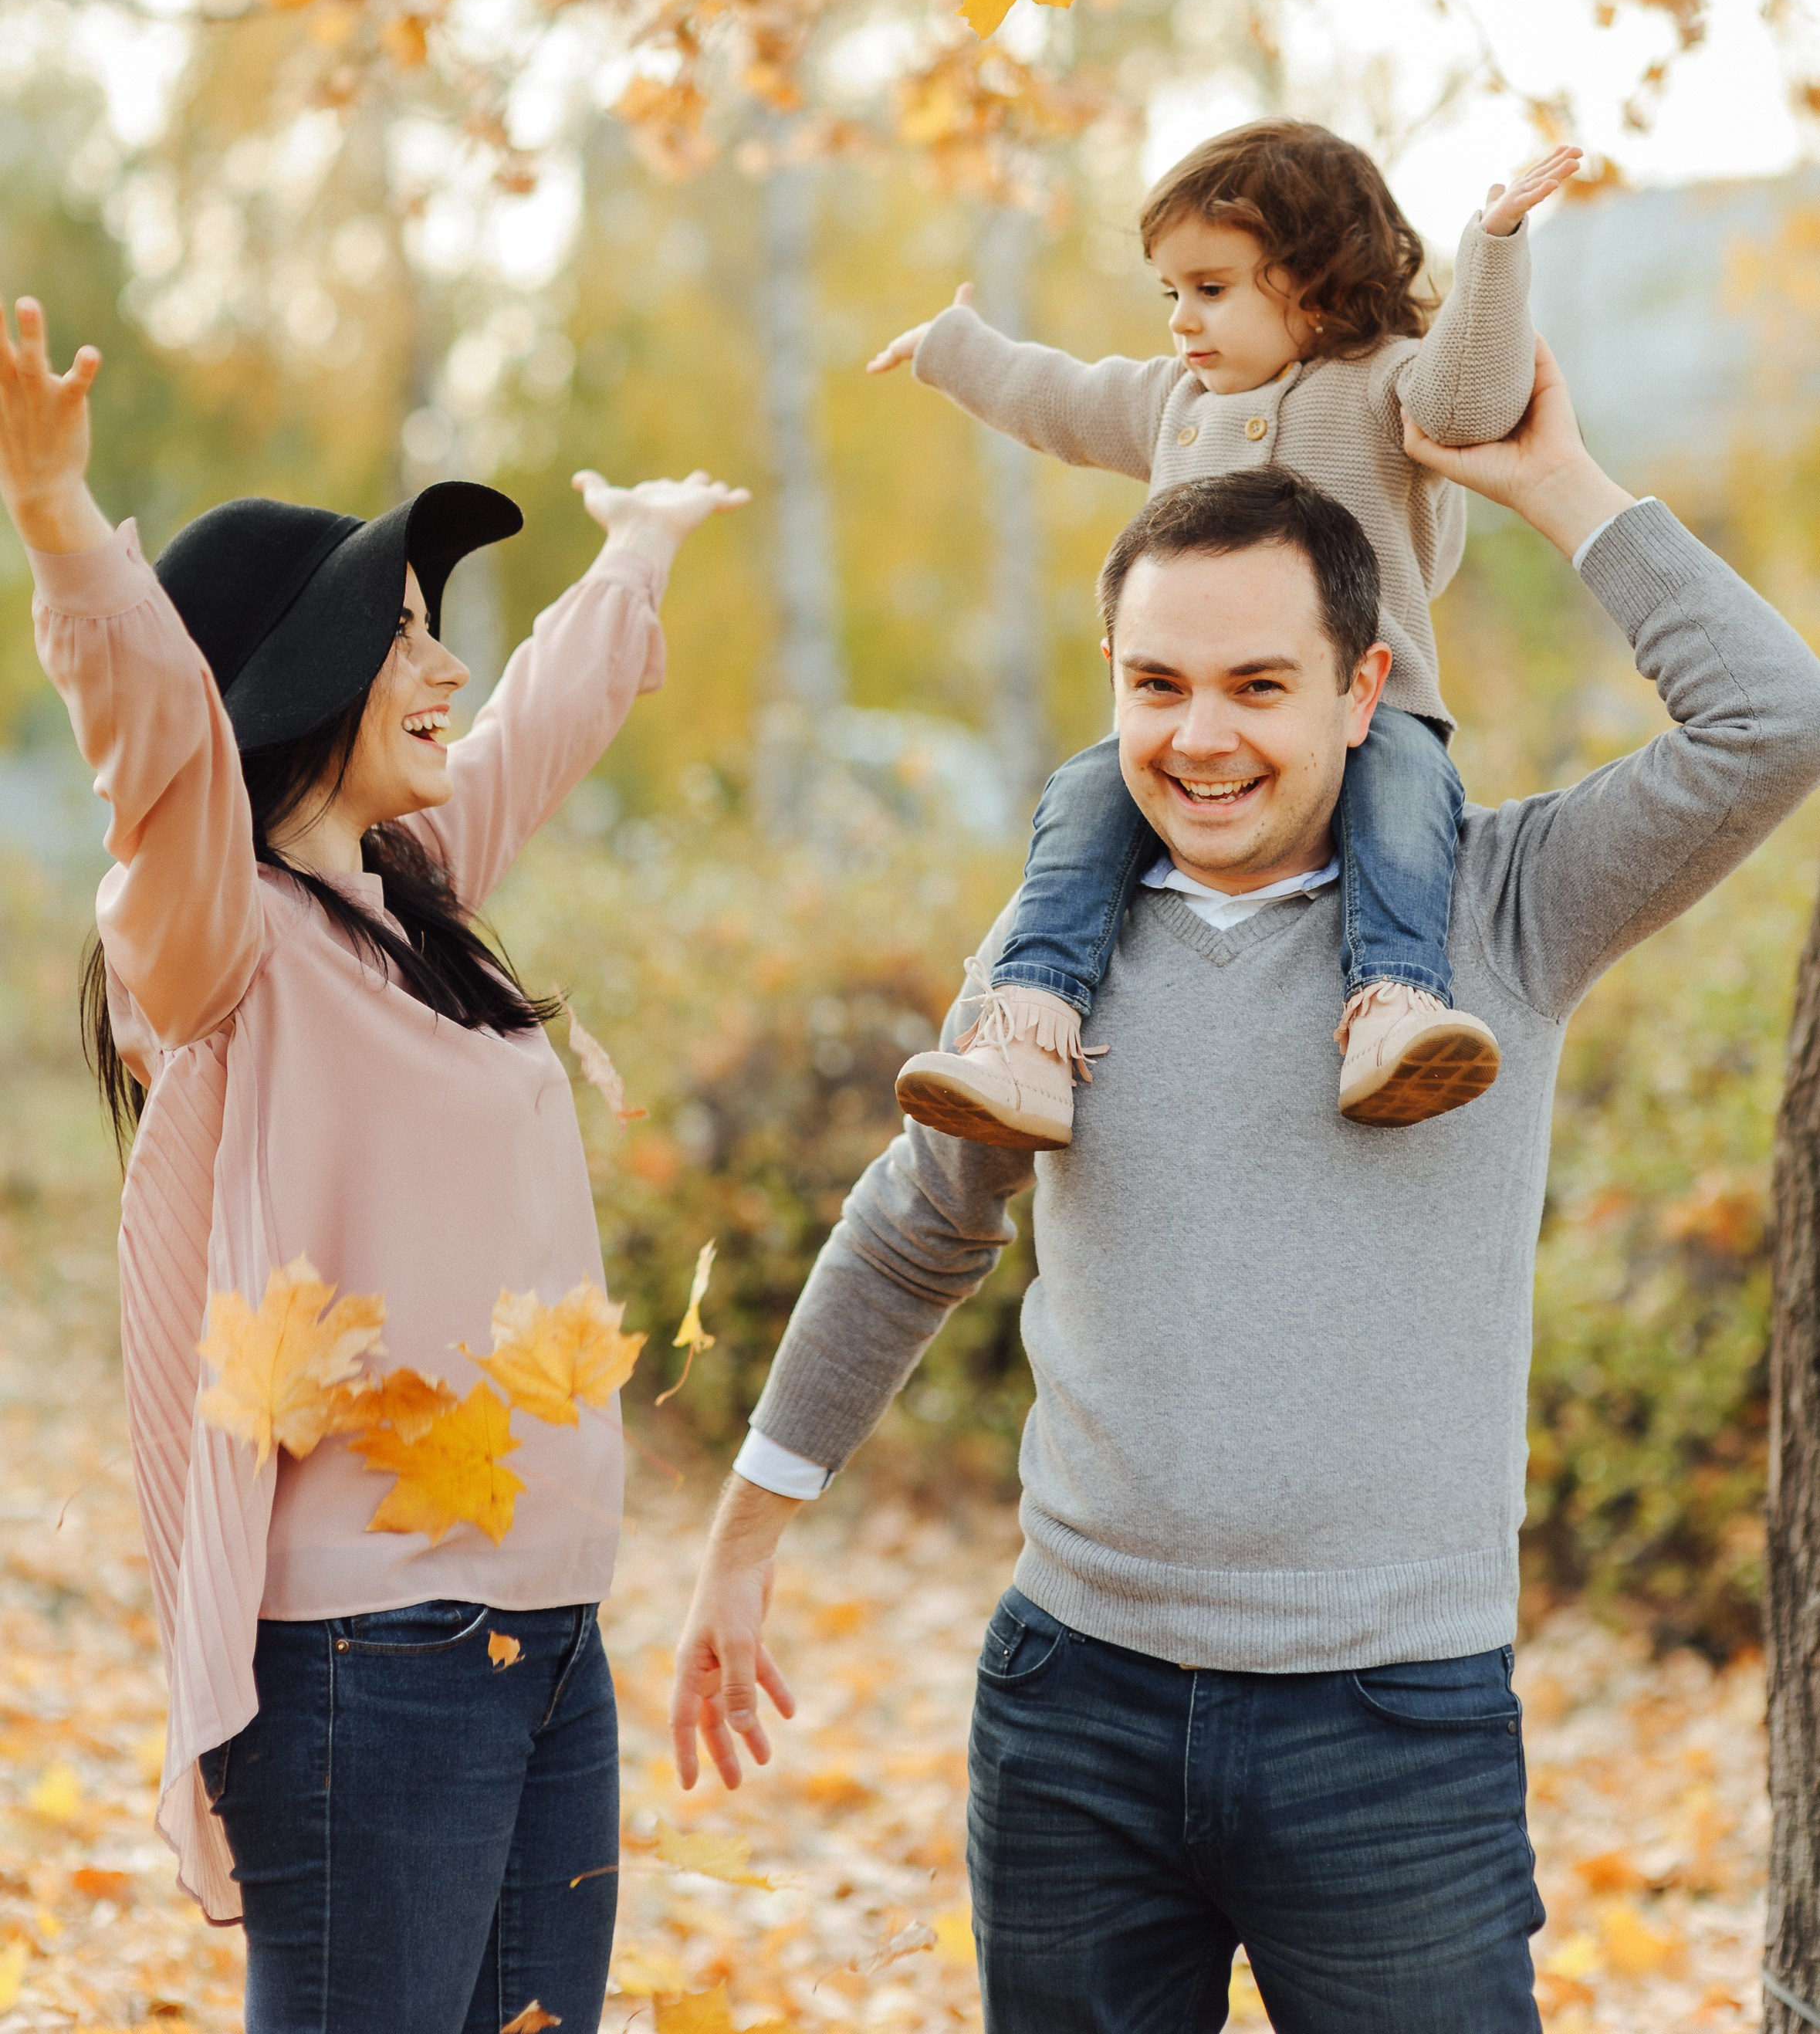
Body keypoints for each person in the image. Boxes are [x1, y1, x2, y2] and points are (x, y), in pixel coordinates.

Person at [670, 347, 1820, 2033]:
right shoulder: (1047, 962)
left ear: (1365, 691)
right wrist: (746, 1526)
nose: (1198, 737)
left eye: (1258, 686)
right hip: (1076, 1715)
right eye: (1155, 684)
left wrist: (1554, 483)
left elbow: (1771, 722)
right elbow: (918, 1225)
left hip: (1394, 1733)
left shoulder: (1506, 912)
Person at [0, 293, 747, 2033]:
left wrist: (634, 549)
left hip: (550, 1625)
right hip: (370, 1647)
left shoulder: (413, 888)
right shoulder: (215, 941)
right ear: (302, 677)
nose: (447, 668)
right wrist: (57, 527)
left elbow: (545, 718)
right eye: (402, 635)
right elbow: (158, 749)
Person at [868, 119, 1582, 1147]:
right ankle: (1027, 1034)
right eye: (1170, 293)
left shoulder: (1383, 385)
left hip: (1367, 715)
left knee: (1402, 802)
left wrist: (1496, 244)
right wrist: (954, 349)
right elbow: (1058, 400)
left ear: (1321, 285)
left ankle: (1393, 1012)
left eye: (1210, 289)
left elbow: (1472, 396)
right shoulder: (1175, 404)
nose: (1180, 321)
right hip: (1198, 721)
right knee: (1082, 797)